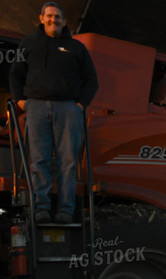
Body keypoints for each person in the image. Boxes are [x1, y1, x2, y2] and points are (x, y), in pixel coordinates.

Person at [9, 2, 98, 224]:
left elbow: (91, 80)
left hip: (68, 109)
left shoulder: (77, 48)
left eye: (57, 17)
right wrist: (20, 101)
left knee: (68, 161)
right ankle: (41, 208)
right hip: (36, 107)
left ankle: (65, 210)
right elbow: (15, 74)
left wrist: (80, 104)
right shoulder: (27, 44)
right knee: (39, 160)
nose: (53, 20)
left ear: (64, 21)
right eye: (49, 16)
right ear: (41, 18)